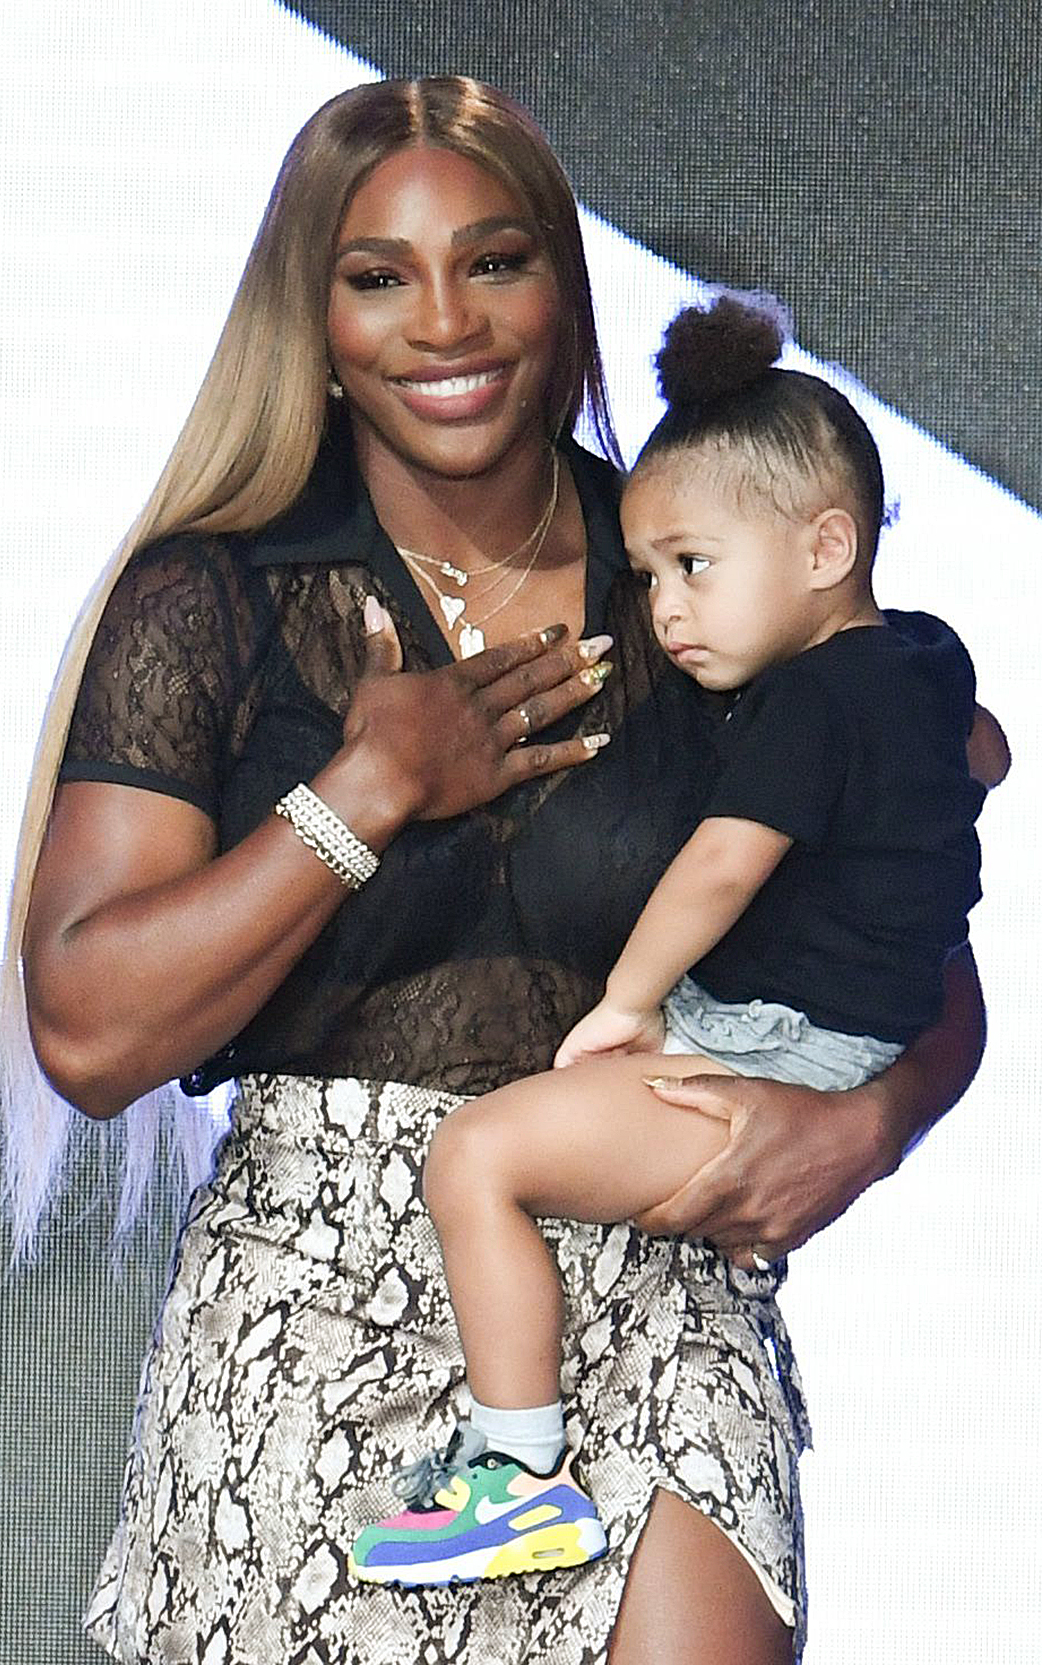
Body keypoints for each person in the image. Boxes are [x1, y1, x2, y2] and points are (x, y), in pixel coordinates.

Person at [0, 77, 997, 1665]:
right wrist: (366, 787)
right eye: (380, 276)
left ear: (566, 290)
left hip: (652, 1269)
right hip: (315, 1316)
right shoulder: (221, 597)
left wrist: (859, 1126)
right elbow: (89, 1032)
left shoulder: (694, 580)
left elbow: (922, 947)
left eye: (498, 261)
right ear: (313, 321)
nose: (445, 322)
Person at [348, 292, 987, 1591]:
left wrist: (627, 1005)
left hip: (761, 1052)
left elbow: (718, 867)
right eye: (648, 578)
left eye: (693, 567)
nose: (667, 611)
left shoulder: (807, 706)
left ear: (825, 546)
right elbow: (991, 751)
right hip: (830, 1040)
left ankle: (518, 1476)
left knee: (476, 1155)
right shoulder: (917, 660)